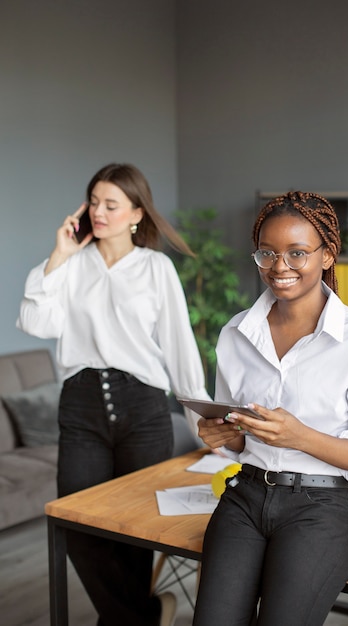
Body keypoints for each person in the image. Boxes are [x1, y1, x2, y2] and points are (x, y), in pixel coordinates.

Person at [17, 162, 210, 626]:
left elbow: (179, 346)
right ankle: (142, 615)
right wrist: (58, 254)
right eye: (94, 202)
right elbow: (36, 322)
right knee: (76, 522)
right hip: (81, 405)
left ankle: (127, 619)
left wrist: (202, 419)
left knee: (134, 530)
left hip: (142, 406)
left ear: (137, 213)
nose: (99, 212)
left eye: (112, 204)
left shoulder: (155, 268)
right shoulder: (69, 265)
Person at [192, 191, 348, 626]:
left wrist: (299, 436)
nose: (279, 267)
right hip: (245, 498)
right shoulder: (235, 334)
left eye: (297, 253)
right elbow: (239, 432)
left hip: (321, 508)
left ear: (327, 256)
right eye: (268, 253)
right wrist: (225, 435)